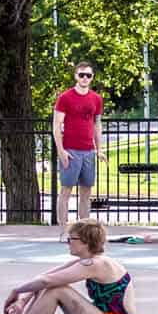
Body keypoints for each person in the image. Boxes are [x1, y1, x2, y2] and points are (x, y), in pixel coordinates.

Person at [0, 220, 135, 314]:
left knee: (57, 289)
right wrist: (23, 300)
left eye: (71, 239)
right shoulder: (91, 260)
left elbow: (47, 281)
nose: (67, 243)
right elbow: (44, 278)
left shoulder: (98, 264)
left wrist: (16, 291)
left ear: (86, 241)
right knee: (53, 285)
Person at [52, 63, 103, 233]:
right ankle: (63, 231)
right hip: (70, 150)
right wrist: (61, 151)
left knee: (86, 192)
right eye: (82, 75)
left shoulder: (96, 98)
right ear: (76, 76)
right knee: (66, 190)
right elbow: (56, 125)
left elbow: (97, 125)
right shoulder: (65, 98)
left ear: (92, 77)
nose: (85, 78)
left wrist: (99, 149)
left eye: (88, 75)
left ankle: (84, 232)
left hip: (88, 150)